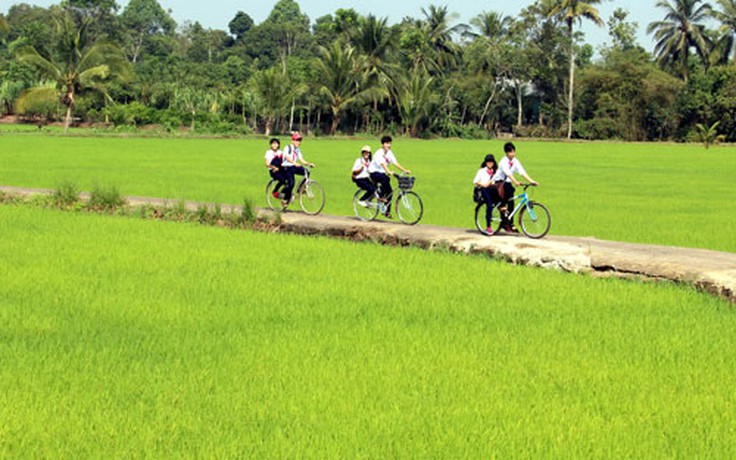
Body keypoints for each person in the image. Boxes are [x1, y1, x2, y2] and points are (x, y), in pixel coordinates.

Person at [492, 142, 538, 232]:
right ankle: (504, 220)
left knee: (511, 203)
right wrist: (515, 181)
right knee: (505, 202)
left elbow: (522, 172)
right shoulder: (503, 162)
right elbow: (508, 174)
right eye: (511, 152)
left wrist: (531, 181)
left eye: (513, 152)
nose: (513, 154)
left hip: (508, 184)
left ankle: (509, 223)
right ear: (506, 153)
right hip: (499, 183)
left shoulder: (515, 161)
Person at [368, 135, 411, 218]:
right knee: (386, 178)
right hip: (374, 173)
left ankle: (386, 212)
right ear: (382, 144)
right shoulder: (378, 153)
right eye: (387, 143)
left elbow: (395, 163)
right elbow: (382, 164)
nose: (389, 145)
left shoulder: (389, 153)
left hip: (382, 173)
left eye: (390, 143)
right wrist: (389, 171)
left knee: (390, 192)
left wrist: (404, 170)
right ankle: (380, 196)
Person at [281, 132, 316, 207]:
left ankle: (300, 188)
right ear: (292, 141)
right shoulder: (288, 147)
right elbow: (287, 157)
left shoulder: (298, 150)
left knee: (307, 171)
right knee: (291, 183)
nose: (299, 142)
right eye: (297, 140)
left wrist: (309, 163)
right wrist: (294, 163)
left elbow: (301, 159)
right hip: (287, 167)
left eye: (300, 140)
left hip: (294, 166)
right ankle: (284, 199)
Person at [473, 153, 501, 235]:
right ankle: (488, 226)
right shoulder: (481, 171)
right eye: (488, 162)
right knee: (489, 205)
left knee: (500, 202)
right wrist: (483, 184)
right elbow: (475, 181)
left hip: (493, 189)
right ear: (485, 162)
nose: (490, 163)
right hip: (485, 190)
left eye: (492, 162)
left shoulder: (495, 171)